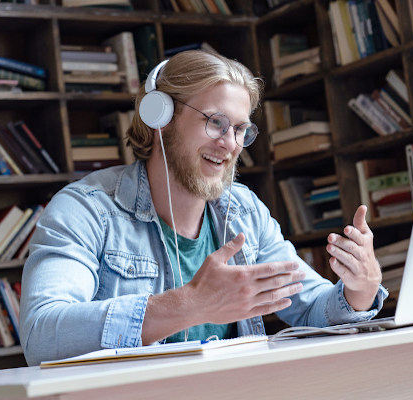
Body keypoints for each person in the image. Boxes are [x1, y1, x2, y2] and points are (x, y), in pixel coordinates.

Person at [19, 50, 388, 366]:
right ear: (160, 117)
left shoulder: (245, 211)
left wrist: (360, 289)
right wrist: (189, 305)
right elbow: (43, 333)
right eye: (216, 122)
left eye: (241, 129)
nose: (230, 144)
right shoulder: (85, 210)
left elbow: (309, 308)